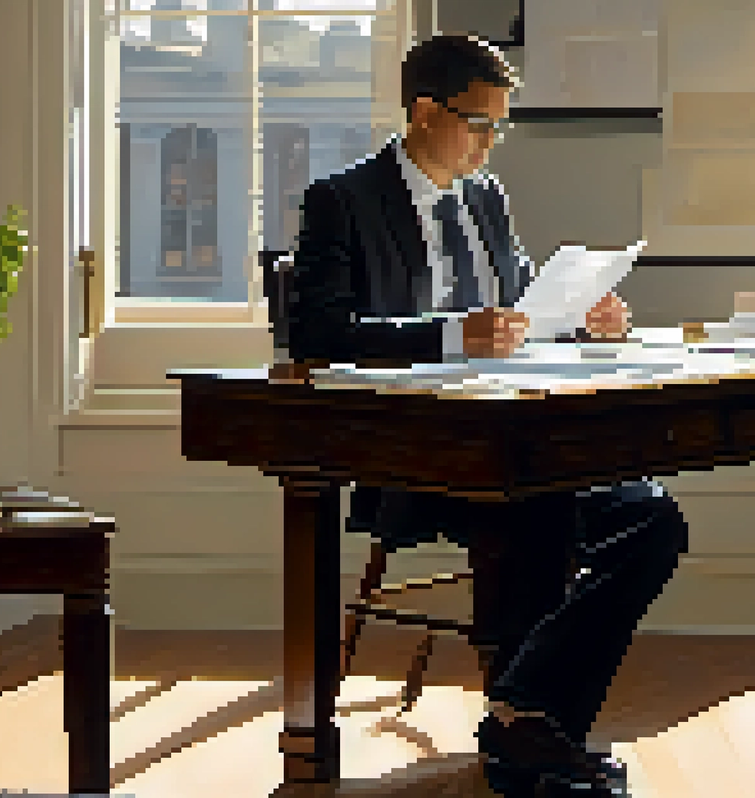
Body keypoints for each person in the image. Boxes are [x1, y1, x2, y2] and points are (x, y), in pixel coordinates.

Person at [286, 33, 689, 798]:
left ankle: (525, 715)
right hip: (416, 451)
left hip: (516, 436)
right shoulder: (341, 201)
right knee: (534, 509)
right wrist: (446, 333)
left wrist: (583, 316)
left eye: (501, 127)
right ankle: (530, 740)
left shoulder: (486, 199)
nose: (491, 144)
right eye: (481, 124)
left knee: (653, 522)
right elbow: (316, 334)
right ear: (426, 111)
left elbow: (523, 305)